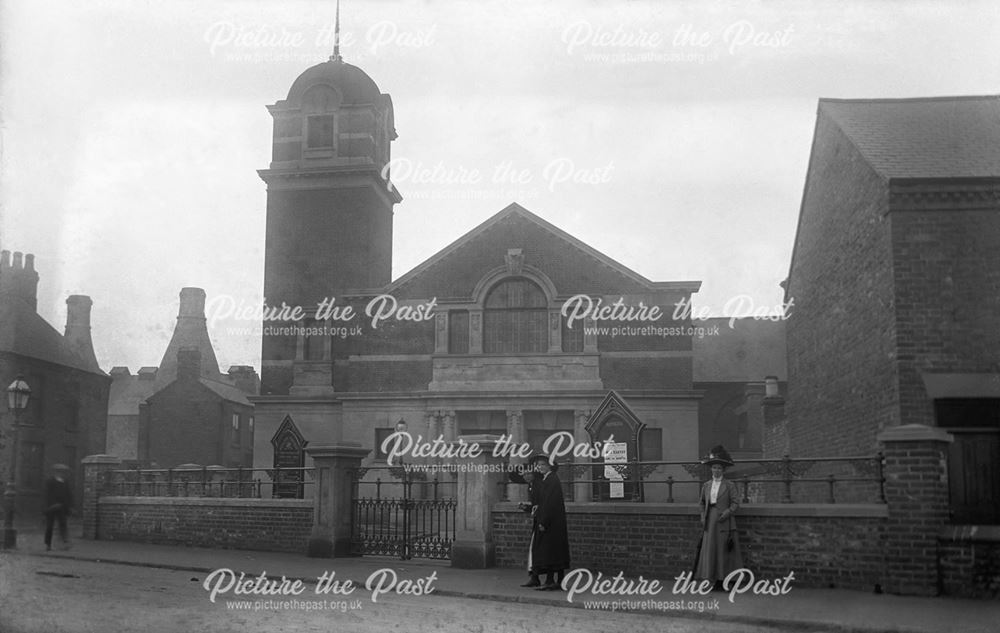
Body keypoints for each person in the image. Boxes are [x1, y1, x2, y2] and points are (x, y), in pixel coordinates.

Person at [694, 445, 743, 589]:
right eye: (714, 467)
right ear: (711, 469)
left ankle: (724, 581)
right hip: (710, 521)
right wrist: (703, 517)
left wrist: (727, 512)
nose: (716, 470)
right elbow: (702, 503)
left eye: (719, 468)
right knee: (711, 550)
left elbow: (735, 502)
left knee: (724, 551)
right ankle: (711, 578)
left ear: (723, 470)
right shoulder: (707, 485)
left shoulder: (729, 485)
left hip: (724, 521)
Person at [529, 454, 570, 591]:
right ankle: (556, 580)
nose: (539, 467)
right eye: (538, 465)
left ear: (549, 466)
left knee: (550, 551)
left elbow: (550, 503)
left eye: (542, 465)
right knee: (554, 551)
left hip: (551, 522)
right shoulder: (548, 479)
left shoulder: (551, 480)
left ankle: (551, 581)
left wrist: (543, 521)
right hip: (554, 521)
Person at [508, 465, 541, 587]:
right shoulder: (532, 486)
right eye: (524, 474)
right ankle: (534, 576)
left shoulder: (537, 485)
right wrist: (526, 507)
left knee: (536, 549)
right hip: (538, 520)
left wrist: (529, 508)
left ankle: (536, 577)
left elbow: (539, 505)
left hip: (541, 520)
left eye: (528, 473)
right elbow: (535, 505)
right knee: (535, 549)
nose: (526, 476)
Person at [43, 463, 74, 551]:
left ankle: (65, 543)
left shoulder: (65, 482)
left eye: (63, 472)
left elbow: (68, 495)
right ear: (56, 472)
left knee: (63, 525)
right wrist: (51, 504)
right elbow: (47, 495)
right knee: (50, 526)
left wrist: (70, 506)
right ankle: (48, 544)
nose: (61, 474)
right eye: (59, 472)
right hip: (52, 507)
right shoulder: (50, 481)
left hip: (62, 507)